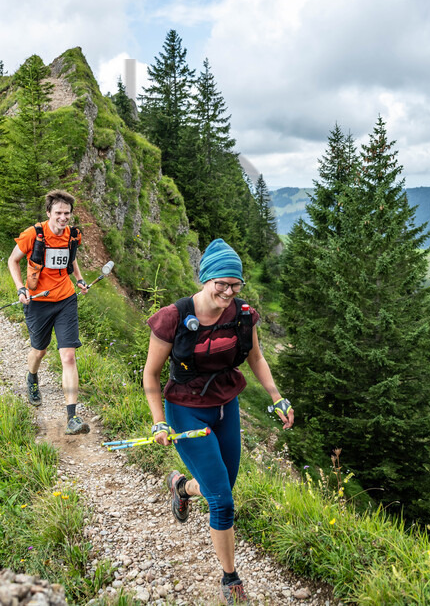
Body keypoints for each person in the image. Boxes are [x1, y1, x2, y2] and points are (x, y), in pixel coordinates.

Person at [142, 238, 294, 604]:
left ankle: (181, 488)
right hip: (186, 410)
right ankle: (230, 578)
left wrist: (276, 397)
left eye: (235, 284)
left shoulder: (243, 315)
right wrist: (159, 422)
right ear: (205, 279)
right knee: (223, 501)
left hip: (226, 406)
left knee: (222, 484)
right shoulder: (173, 318)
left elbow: (256, 359)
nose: (227, 291)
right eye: (221, 283)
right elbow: (151, 376)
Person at [8, 189, 90, 435]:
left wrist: (79, 279)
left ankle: (72, 418)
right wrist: (20, 288)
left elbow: (71, 259)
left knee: (68, 356)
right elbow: (13, 261)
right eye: (58, 213)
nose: (63, 218)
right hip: (38, 302)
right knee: (39, 351)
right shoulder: (34, 234)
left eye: (67, 213)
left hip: (65, 299)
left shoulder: (73, 235)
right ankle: (32, 378)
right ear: (49, 213)